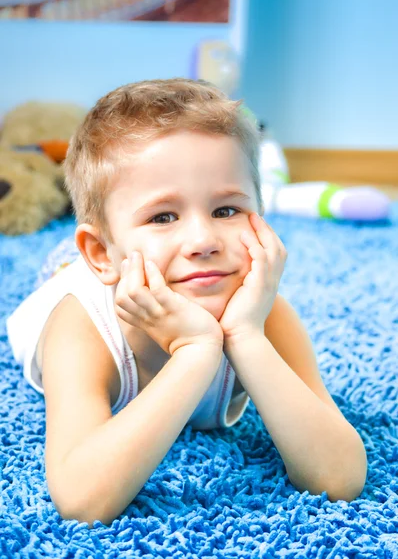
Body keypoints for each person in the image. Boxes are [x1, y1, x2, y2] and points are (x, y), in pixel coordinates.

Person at [6, 78, 367, 526]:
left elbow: (340, 479)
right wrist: (195, 353)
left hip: (145, 264)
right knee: (75, 265)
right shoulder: (80, 329)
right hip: (74, 281)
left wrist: (246, 336)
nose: (203, 240)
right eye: (163, 216)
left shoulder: (266, 313)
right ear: (100, 253)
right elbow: (81, 501)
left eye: (226, 210)